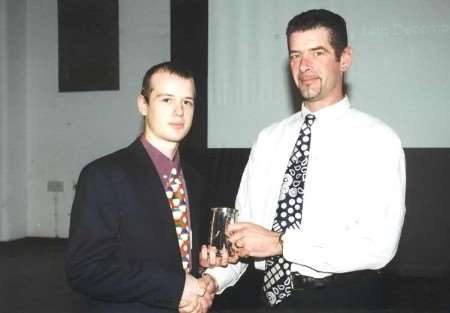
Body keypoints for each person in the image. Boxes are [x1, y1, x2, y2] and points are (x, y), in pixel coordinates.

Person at [201, 9, 406, 310]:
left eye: (317, 52)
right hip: (271, 301)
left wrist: (281, 244)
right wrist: (212, 280)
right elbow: (247, 232)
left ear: (344, 59)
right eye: (296, 55)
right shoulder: (269, 139)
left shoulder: (377, 139)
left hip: (345, 300)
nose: (304, 66)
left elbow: (379, 246)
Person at [66, 62, 216, 313]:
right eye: (167, 100)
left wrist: (206, 279)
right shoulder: (103, 175)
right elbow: (84, 270)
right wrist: (175, 288)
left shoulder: (194, 178)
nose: (179, 111)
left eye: (187, 102)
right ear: (143, 105)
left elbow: (177, 253)